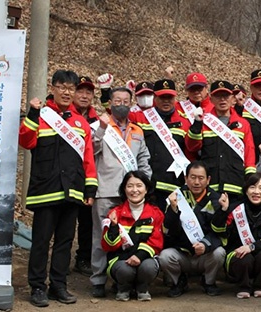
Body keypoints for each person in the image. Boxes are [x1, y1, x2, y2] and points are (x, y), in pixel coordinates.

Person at [19, 70, 98, 307]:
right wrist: (33, 113)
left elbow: (88, 160)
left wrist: (90, 190)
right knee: (41, 241)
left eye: (71, 88)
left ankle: (58, 285)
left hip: (72, 191)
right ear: (53, 87)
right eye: (62, 87)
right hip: (46, 190)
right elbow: (26, 141)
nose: (67, 92)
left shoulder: (80, 123)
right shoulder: (41, 116)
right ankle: (37, 287)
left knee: (65, 242)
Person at [90, 86, 152, 298]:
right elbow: (91, 150)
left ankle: (121, 279)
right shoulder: (99, 126)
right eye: (117, 100)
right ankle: (98, 279)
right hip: (106, 190)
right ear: (110, 102)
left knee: (128, 238)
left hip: (132, 193)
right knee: (102, 237)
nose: (122, 105)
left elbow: (144, 158)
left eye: (126, 101)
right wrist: (100, 128)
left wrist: (145, 182)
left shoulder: (137, 131)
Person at [160, 161, 228, 297]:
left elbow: (220, 233)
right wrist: (173, 210)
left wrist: (205, 244)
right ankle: (179, 281)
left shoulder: (216, 199)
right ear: (186, 179)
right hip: (183, 254)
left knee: (219, 252)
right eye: (192, 177)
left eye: (201, 178)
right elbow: (169, 232)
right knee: (165, 256)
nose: (196, 182)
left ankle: (208, 282)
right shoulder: (176, 197)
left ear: (208, 180)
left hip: (205, 255)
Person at [212, 173, 261, 299]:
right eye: (252, 187)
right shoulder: (235, 208)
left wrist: (251, 247)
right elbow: (218, 230)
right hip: (236, 253)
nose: (256, 192)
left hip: (259, 251)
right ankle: (243, 287)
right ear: (246, 190)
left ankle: (260, 286)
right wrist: (223, 210)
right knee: (245, 258)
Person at [186, 80, 256, 204]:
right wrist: (197, 124)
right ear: (211, 99)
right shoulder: (204, 121)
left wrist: (250, 177)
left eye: (226, 96)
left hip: (235, 185)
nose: (222, 100)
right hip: (210, 186)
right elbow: (192, 147)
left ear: (233, 99)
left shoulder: (243, 124)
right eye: (218, 96)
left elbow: (249, 151)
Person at [130, 79, 193, 211]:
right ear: (155, 98)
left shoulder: (185, 122)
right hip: (148, 185)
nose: (166, 101)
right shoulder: (142, 118)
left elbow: (192, 151)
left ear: (175, 97)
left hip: (174, 185)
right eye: (162, 97)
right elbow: (119, 115)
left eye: (169, 97)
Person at [101, 171, 164, 302]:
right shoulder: (114, 213)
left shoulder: (156, 213)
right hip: (121, 260)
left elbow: (156, 242)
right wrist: (113, 227)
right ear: (124, 189)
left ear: (146, 189)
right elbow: (108, 246)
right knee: (125, 270)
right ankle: (123, 288)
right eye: (130, 186)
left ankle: (142, 288)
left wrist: (139, 256)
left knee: (148, 267)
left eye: (139, 186)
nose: (134, 190)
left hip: (145, 259)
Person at [71, 76, 99, 277]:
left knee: (87, 220)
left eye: (88, 92)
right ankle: (61, 260)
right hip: (67, 176)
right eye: (80, 91)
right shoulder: (61, 116)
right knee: (65, 219)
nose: (84, 95)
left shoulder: (96, 120)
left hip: (88, 175)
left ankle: (83, 257)